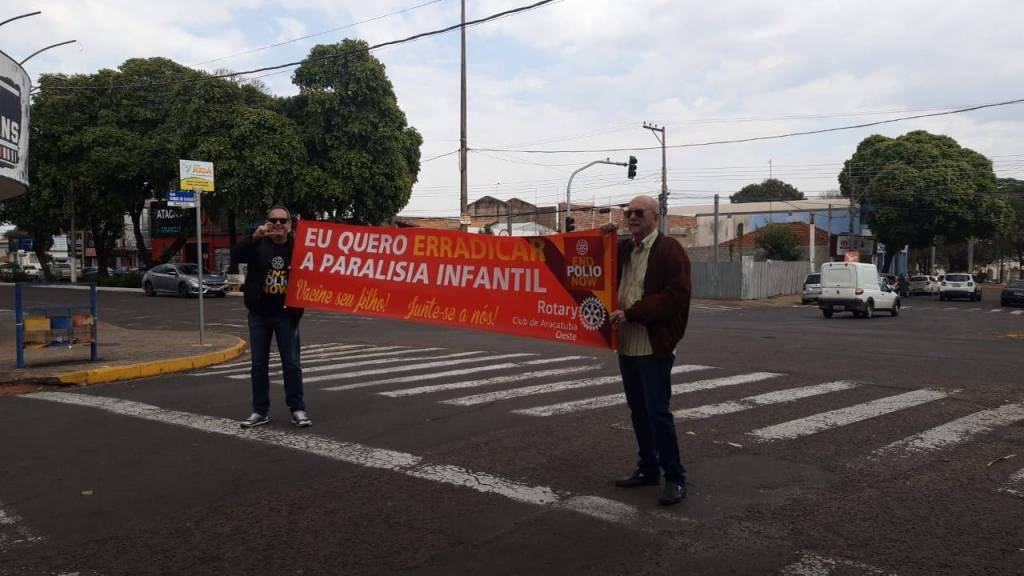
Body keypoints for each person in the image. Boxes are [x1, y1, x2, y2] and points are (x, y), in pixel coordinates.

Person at [604, 195, 692, 506]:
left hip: (653, 346)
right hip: (627, 344)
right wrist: (601, 239)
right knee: (638, 411)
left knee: (657, 412)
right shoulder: (625, 249)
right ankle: (648, 468)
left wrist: (633, 313)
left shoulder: (670, 250)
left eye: (639, 212)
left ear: (655, 217)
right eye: (628, 212)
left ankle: (675, 477)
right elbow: (595, 266)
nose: (632, 217)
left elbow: (675, 296)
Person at [231, 205, 310, 429]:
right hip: (259, 315)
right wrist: (254, 236)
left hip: (287, 316)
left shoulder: (299, 247)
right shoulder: (257, 244)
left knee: (292, 364)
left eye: (282, 220)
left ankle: (297, 409)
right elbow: (236, 254)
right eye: (272, 220)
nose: (277, 224)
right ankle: (259, 411)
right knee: (258, 365)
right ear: (266, 223)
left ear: (290, 224)